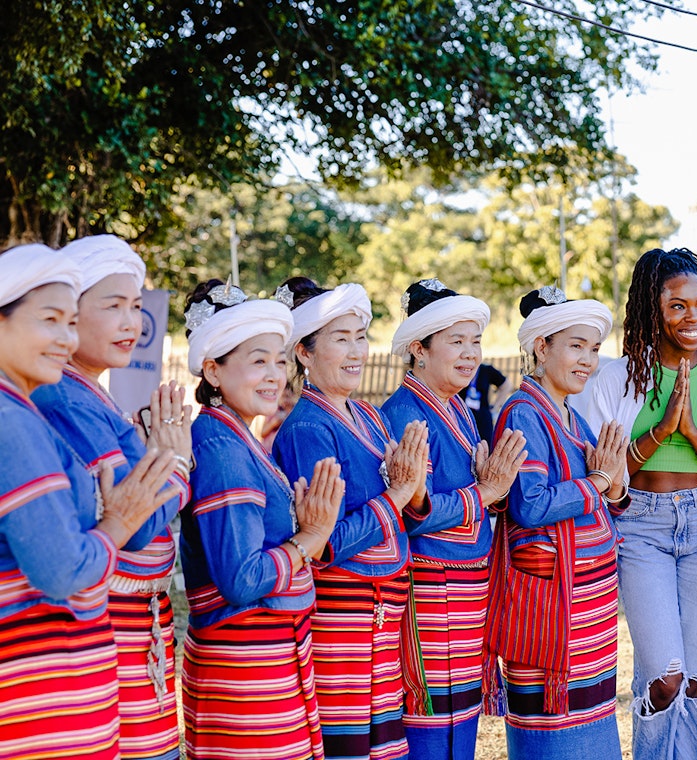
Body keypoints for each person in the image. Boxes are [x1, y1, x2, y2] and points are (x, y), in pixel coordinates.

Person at [585, 248, 697, 759]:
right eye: (677, 306)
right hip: (640, 528)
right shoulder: (614, 380)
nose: (694, 318)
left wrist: (694, 437)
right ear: (651, 310)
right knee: (665, 676)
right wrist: (662, 430)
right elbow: (599, 470)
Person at [0, 243, 178, 760]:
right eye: (50, 320)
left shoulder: (23, 409)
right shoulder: (17, 421)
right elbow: (62, 570)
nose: (65, 338)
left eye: (71, 322)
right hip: (42, 696)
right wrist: (121, 522)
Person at [179, 279, 345, 760]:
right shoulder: (221, 449)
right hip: (245, 666)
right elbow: (240, 577)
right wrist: (307, 539)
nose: (275, 375)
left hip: (266, 661)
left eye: (279, 360)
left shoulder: (240, 439)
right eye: (257, 361)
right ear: (213, 369)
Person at [271, 277, 431, 760]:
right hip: (341, 618)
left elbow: (408, 510)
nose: (356, 351)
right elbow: (326, 540)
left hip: (385, 611)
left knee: (384, 744)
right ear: (304, 352)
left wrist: (415, 490)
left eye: (360, 337)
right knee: (348, 746)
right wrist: (399, 493)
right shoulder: (305, 428)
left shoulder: (370, 416)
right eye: (341, 339)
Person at [380, 278, 526, 759]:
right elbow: (413, 512)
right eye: (456, 342)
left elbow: (484, 493)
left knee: (458, 720)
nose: (470, 354)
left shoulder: (458, 408)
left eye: (475, 341)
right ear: (418, 349)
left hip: (465, 590)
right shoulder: (404, 413)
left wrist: (494, 489)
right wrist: (485, 492)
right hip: (431, 589)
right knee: (432, 719)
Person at [485, 286, 628, 757]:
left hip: (584, 610)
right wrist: (600, 481)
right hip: (550, 610)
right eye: (575, 346)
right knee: (554, 736)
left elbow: (606, 488)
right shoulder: (524, 414)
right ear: (541, 348)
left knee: (588, 725)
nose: (587, 360)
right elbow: (530, 504)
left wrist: (613, 486)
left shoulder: (569, 414)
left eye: (593, 348)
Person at [460, 361, 510, 442]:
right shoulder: (459, 369)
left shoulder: (486, 369)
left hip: (482, 419)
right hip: (462, 418)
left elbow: (506, 385)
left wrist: (495, 406)